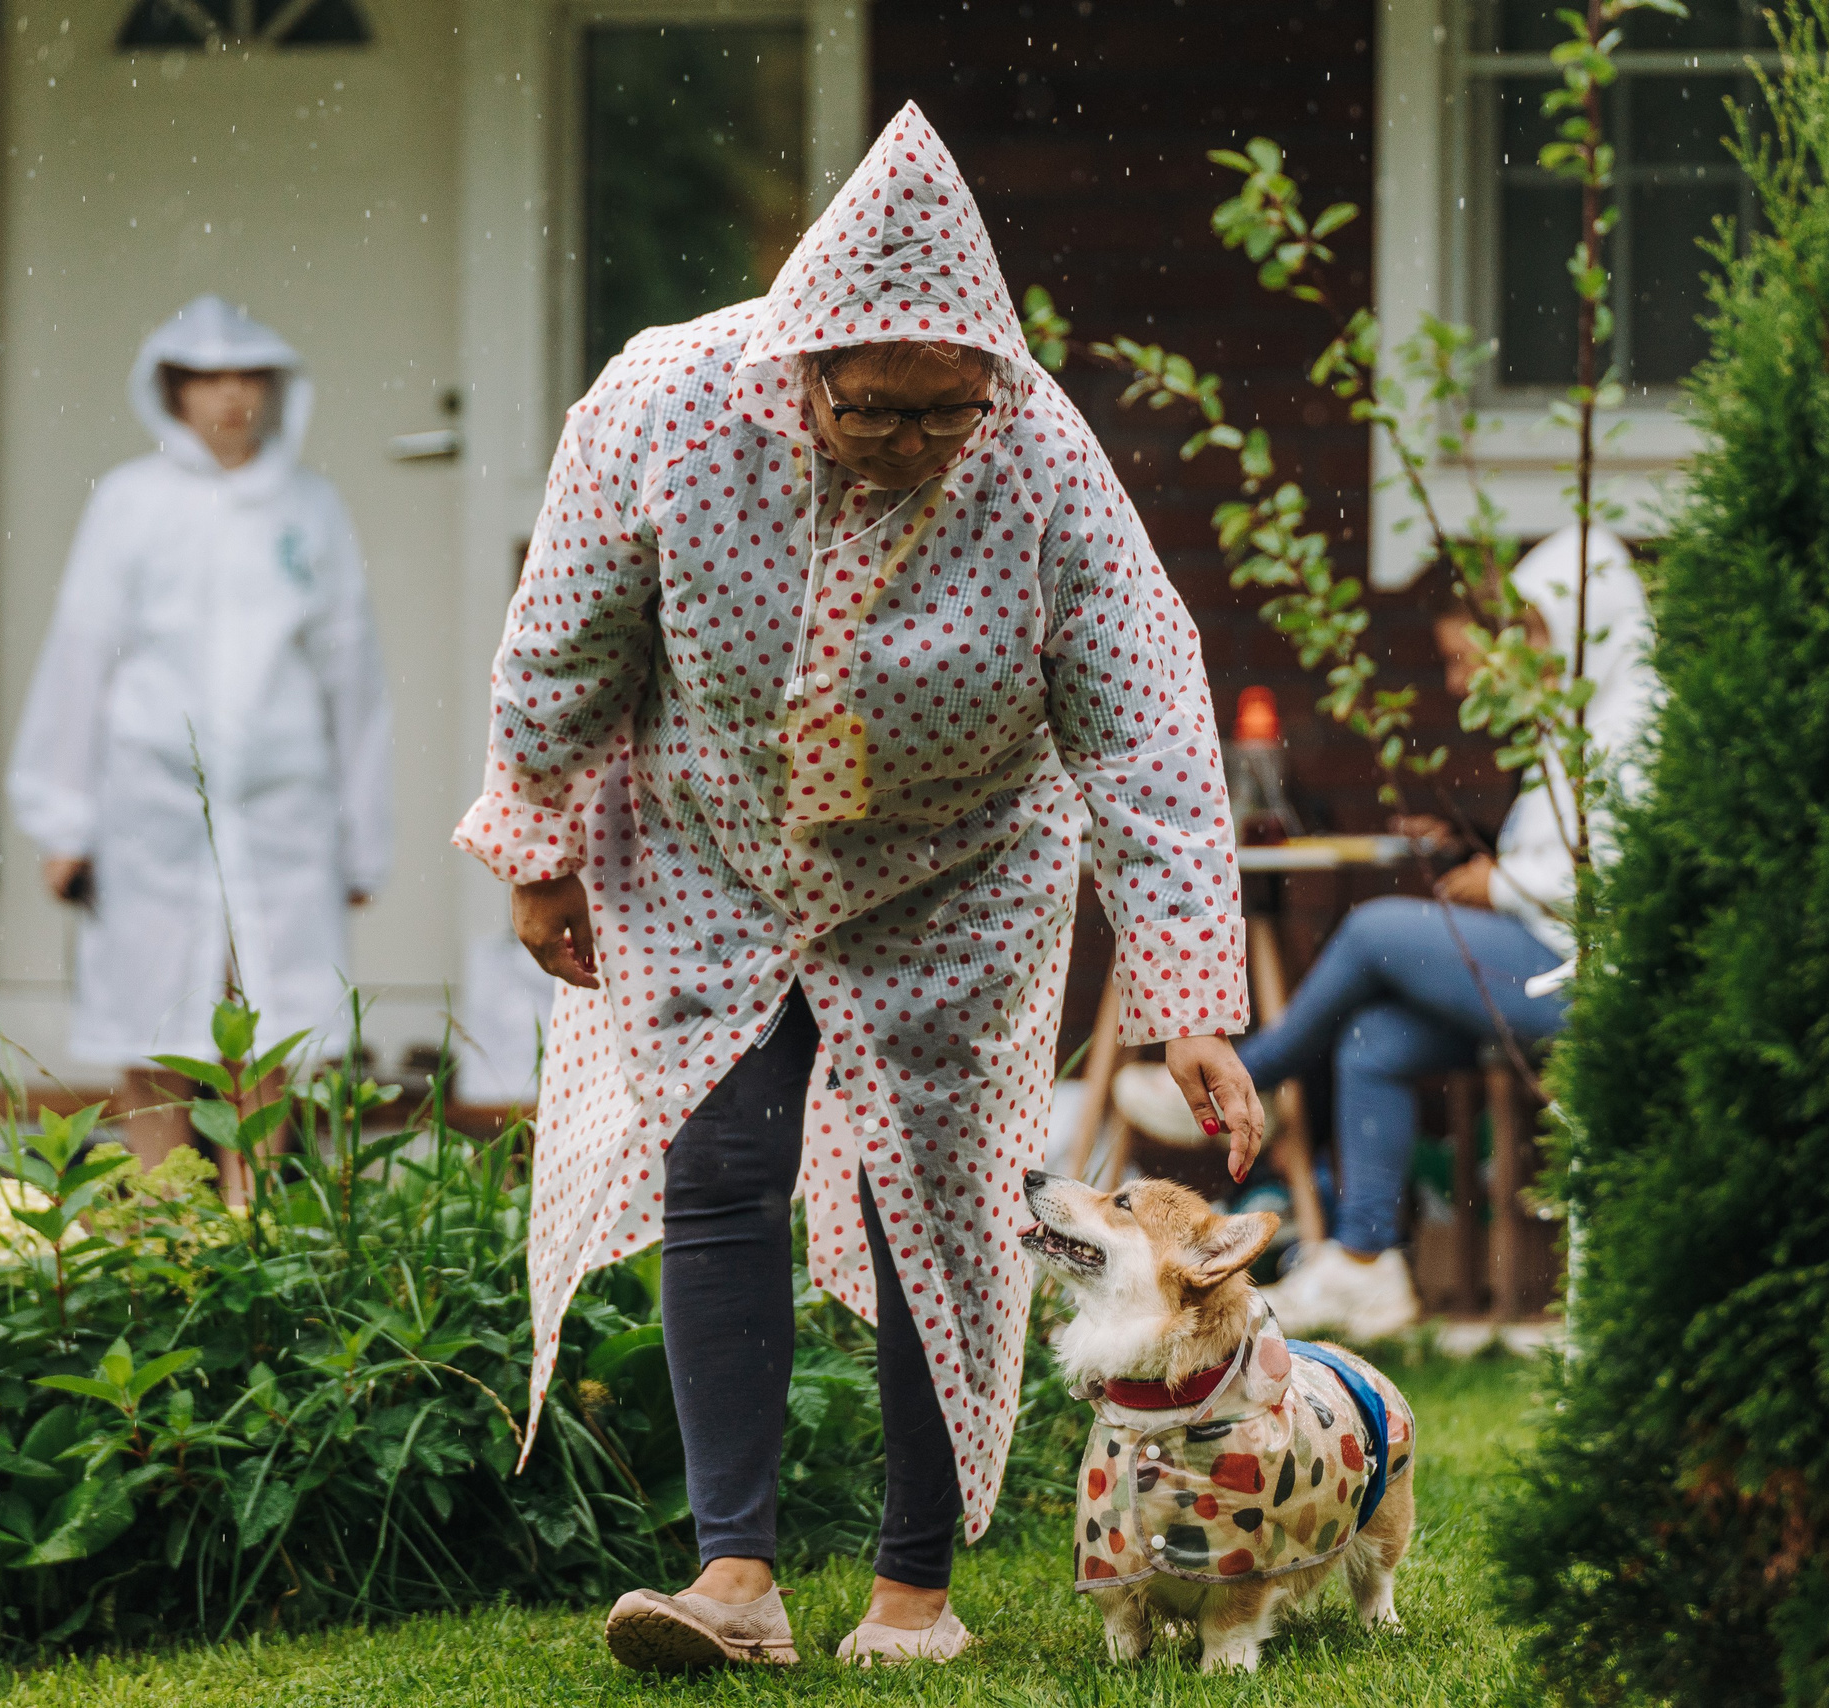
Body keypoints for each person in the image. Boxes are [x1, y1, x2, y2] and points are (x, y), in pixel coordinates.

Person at [452, 103, 1262, 1672]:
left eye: (943, 415)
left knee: (938, 1210)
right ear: (803, 362)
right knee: (725, 1164)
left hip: (954, 878)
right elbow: (565, 634)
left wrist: (1188, 1006)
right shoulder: (667, 406)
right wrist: (538, 849)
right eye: (877, 410)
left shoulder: (1037, 463)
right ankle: (733, 1581)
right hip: (712, 844)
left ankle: (913, 1595)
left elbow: (1150, 727)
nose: (909, 443)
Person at [1114, 527, 1656, 1341]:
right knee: (1376, 1034)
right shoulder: (1576, 722)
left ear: (1590, 620)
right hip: (1543, 954)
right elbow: (1564, 853)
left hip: (1592, 976)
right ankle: (1368, 1264)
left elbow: (1620, 877)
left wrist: (1501, 882)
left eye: (1541, 630)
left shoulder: (1636, 722)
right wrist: (1488, 860)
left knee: (1373, 932)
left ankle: (1240, 1082)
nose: (1531, 652)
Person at [9, 295, 391, 1202]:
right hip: (150, 802)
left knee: (269, 1013)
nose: (229, 398)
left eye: (245, 376)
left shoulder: (309, 508)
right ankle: (164, 1221)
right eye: (208, 379)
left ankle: (250, 1215)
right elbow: (81, 653)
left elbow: (353, 674)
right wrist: (64, 817)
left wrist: (360, 830)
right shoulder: (132, 505)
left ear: (271, 388)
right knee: (155, 1016)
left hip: (282, 800)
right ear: (173, 392)